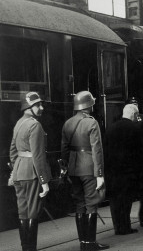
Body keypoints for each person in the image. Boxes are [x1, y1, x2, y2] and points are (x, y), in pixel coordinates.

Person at [61, 91, 109, 251]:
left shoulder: (67, 123)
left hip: (74, 169)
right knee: (91, 204)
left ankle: (83, 242)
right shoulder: (91, 123)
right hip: (89, 168)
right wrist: (99, 174)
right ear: (89, 105)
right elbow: (97, 150)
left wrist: (68, 167)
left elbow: (64, 150)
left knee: (80, 205)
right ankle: (90, 243)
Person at [9, 92, 51, 251]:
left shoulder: (19, 123)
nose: (41, 107)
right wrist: (44, 181)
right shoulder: (35, 125)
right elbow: (38, 156)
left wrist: (17, 169)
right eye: (37, 105)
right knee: (33, 212)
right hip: (32, 173)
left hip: (19, 173)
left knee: (23, 212)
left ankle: (25, 248)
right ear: (28, 107)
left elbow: (13, 151)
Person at [104, 104, 143, 235]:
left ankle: (117, 227)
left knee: (115, 200)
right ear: (134, 114)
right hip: (128, 171)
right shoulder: (135, 128)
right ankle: (125, 227)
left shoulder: (110, 127)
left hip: (112, 171)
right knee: (126, 200)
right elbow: (139, 151)